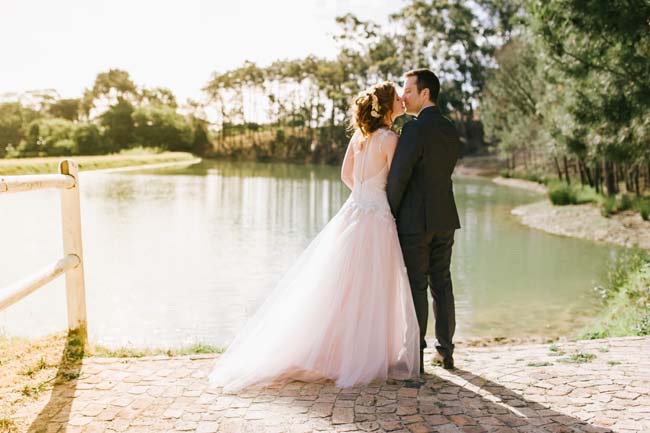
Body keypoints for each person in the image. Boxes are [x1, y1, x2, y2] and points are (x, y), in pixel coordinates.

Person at [209, 81, 420, 392]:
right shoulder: (390, 139)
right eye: (398, 98)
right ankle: (364, 353)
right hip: (376, 217)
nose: (403, 100)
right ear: (388, 107)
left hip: (354, 212)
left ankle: (336, 349)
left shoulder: (359, 138)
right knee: (372, 285)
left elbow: (347, 176)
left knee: (343, 285)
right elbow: (397, 180)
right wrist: (376, 199)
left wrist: (362, 195)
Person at [387, 69, 461, 371]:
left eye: (408, 90)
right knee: (442, 284)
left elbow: (399, 176)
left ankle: (415, 355)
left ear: (425, 93)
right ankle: (445, 352)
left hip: (416, 222)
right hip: (445, 217)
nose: (404, 96)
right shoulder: (449, 128)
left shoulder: (414, 129)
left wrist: (388, 213)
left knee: (417, 285)